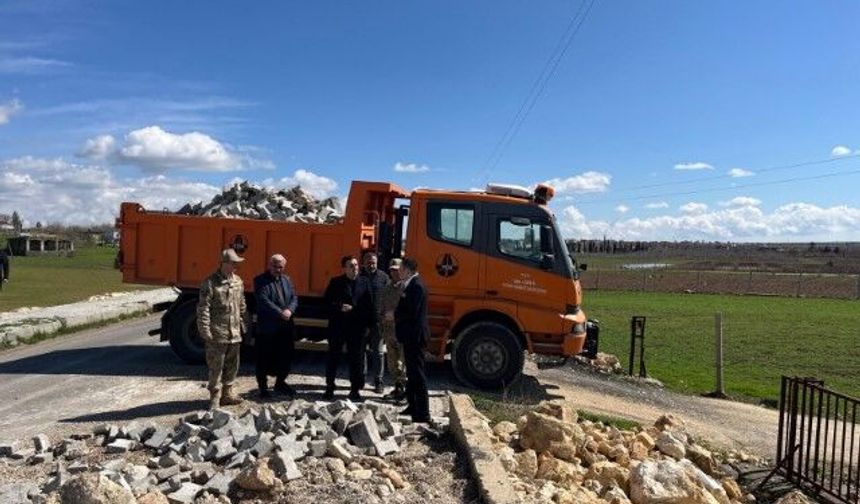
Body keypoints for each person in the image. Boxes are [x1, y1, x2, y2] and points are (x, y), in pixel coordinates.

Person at [197, 248, 249, 410]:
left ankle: (228, 394)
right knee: (216, 366)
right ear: (224, 263)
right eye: (233, 263)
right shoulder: (210, 282)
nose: (236, 266)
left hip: (234, 332)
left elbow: (242, 305)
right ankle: (215, 397)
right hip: (217, 333)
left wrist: (244, 324)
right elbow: (203, 308)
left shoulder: (238, 281)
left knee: (232, 365)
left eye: (237, 263)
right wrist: (205, 329)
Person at [324, 255, 374, 401]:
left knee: (356, 360)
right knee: (333, 358)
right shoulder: (336, 282)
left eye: (356, 265)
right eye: (351, 266)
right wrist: (340, 307)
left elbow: (369, 306)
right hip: (338, 327)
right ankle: (329, 387)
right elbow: (326, 303)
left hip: (357, 328)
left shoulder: (365, 282)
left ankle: (355, 390)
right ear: (344, 268)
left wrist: (366, 324)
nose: (355, 268)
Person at [253, 254, 298, 399]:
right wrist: (280, 313)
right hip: (268, 327)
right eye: (275, 266)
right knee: (263, 357)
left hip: (285, 328)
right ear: (269, 265)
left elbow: (294, 298)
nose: (278, 269)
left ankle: (280, 383)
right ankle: (263, 388)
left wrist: (290, 310)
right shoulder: (260, 281)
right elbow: (263, 300)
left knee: (285, 356)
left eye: (281, 267)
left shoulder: (287, 280)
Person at [395, 257, 431, 422]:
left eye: (401, 269)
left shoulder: (416, 286)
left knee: (418, 374)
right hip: (409, 336)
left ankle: (423, 413)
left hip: (415, 336)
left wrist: (393, 315)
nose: (398, 271)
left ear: (408, 270)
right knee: (411, 373)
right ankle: (412, 405)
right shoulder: (410, 284)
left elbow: (411, 312)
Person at [361, 252, 390, 394]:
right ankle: (361, 379)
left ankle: (378, 381)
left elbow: (389, 298)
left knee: (378, 353)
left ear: (377, 263)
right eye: (368, 262)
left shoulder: (384, 277)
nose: (371, 265)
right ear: (364, 263)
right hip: (361, 322)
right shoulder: (359, 276)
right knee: (361, 351)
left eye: (373, 262)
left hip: (378, 322)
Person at [380, 258, 407, 400]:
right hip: (389, 331)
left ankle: (404, 391)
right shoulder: (387, 288)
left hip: (402, 331)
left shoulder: (407, 288)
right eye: (392, 270)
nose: (394, 273)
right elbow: (382, 307)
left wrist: (395, 316)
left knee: (403, 363)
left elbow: (409, 310)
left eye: (397, 270)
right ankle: (397, 388)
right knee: (392, 362)